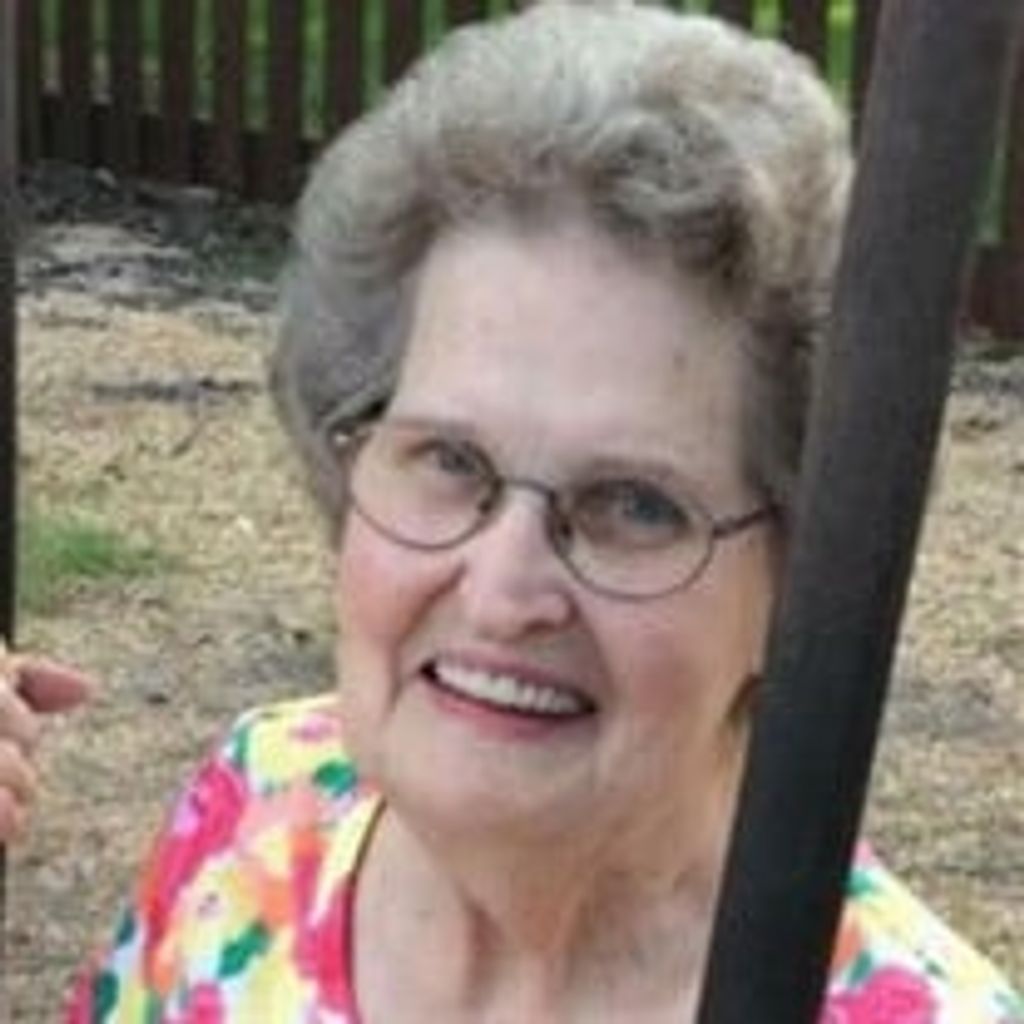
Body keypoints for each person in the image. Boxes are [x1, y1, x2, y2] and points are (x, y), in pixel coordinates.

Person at [3, 3, 1022, 1020]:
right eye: (450, 459)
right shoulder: (258, 812)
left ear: (798, 580)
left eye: (635, 505)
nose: (501, 592)